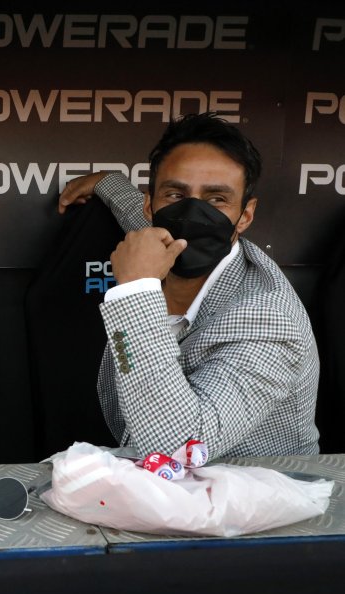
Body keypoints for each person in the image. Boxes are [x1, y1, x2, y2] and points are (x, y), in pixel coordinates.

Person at [58, 113, 320, 459]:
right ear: (151, 204)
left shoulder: (267, 317)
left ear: (245, 216)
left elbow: (177, 449)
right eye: (176, 194)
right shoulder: (163, 233)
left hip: (247, 495)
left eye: (216, 200)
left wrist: (136, 290)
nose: (192, 214)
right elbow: (139, 213)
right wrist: (107, 183)